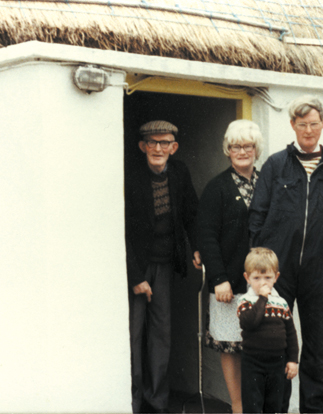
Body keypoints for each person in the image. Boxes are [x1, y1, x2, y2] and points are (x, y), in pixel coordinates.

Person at [248, 95, 323, 413]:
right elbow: (257, 216)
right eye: (302, 124)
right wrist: (262, 264)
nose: (308, 130)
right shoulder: (275, 165)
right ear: (292, 126)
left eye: (314, 124)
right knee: (276, 343)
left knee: (316, 347)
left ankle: (314, 409)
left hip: (319, 273)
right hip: (279, 273)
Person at [125, 120, 202, 413]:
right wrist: (135, 277)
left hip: (166, 266)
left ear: (174, 147)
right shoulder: (131, 176)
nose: (158, 148)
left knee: (161, 335)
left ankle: (157, 401)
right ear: (143, 146)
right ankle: (132, 401)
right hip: (138, 267)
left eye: (165, 143)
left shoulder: (179, 172)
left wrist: (195, 246)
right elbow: (123, 231)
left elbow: (191, 213)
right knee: (133, 335)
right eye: (152, 142)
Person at [196, 119, 263, 413]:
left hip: (262, 283)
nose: (242, 151)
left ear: (256, 149)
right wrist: (219, 278)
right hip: (228, 284)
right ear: (228, 149)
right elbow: (207, 236)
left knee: (259, 345)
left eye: (248, 145)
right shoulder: (217, 187)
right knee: (230, 346)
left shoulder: (267, 184)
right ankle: (238, 407)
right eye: (236, 146)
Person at [237, 247, 299, 414]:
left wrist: (293, 360)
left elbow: (291, 334)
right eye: (256, 278)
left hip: (277, 363)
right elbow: (249, 323)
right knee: (253, 404)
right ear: (247, 278)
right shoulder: (245, 301)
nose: (262, 282)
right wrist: (263, 298)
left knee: (275, 405)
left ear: (276, 277)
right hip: (253, 362)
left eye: (267, 277)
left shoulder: (281, 303)